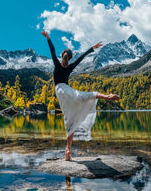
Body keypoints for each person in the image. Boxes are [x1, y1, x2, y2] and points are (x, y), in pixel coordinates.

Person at [41, 30, 120, 161]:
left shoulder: (56, 63)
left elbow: (52, 50)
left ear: (62, 55)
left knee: (69, 120)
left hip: (61, 93)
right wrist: (92, 48)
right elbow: (81, 58)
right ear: (69, 58)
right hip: (68, 90)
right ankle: (106, 96)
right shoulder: (70, 66)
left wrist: (48, 38)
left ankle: (68, 150)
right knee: (85, 96)